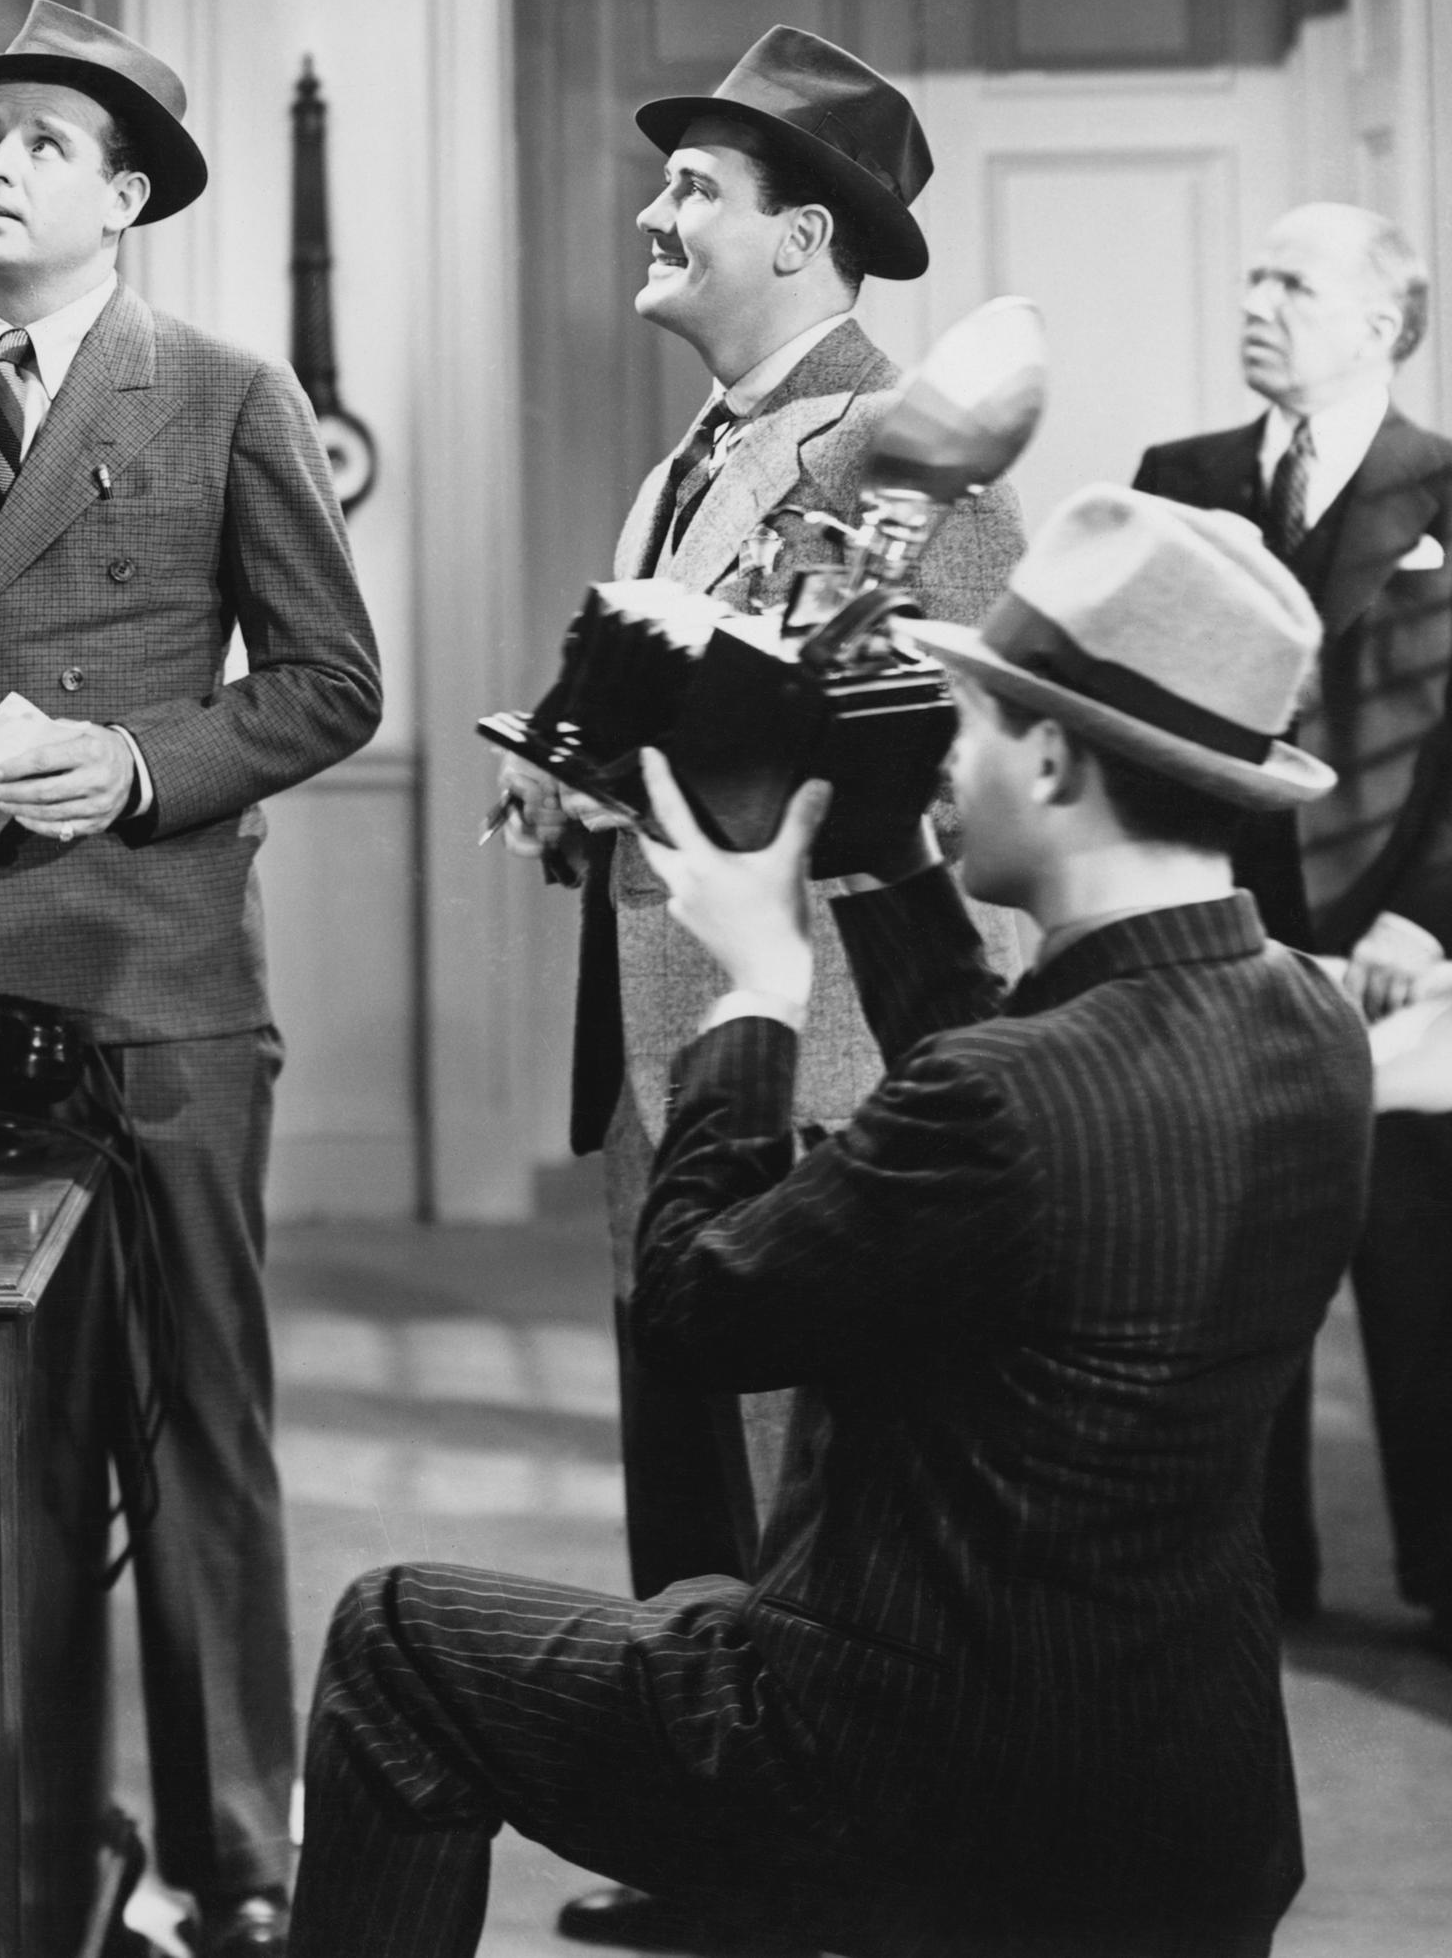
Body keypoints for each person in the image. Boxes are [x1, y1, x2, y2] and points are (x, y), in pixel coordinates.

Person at [300, 487, 1373, 1958]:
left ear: (1053, 758)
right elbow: (1025, 1096)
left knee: (396, 1641)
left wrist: (755, 989)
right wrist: (891, 863)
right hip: (1183, 1789)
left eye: (974, 721)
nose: (944, 756)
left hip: (899, 1765)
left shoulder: (1008, 1101)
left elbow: (699, 1308)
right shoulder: (1309, 1022)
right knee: (678, 1599)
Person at [0, 1, 380, 1957]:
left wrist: (132, 763)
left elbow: (325, 683)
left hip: (149, 977)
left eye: (37, 141)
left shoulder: (218, 391)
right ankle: (3, 1834)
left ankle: (230, 1864)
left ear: (124, 194)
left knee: (188, 1426)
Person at [489, 27, 1019, 1953]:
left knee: (813, 1485)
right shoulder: (681, 461)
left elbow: (944, 770)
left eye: (696, 188)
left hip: (820, 1057)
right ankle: (713, 1835)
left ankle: (826, 1864)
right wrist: (572, 781)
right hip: (667, 1048)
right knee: (686, 1461)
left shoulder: (906, 446)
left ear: (802, 236)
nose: (654, 206)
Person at [1135, 204, 1452, 1666]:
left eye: (1292, 282)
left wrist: (1418, 922)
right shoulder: (1179, 483)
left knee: (1424, 1277)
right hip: (1218, 943)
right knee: (1230, 1270)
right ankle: (1258, 1571)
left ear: (1381, 321)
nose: (1256, 299)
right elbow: (1149, 713)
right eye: (1250, 272)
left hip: (1399, 958)